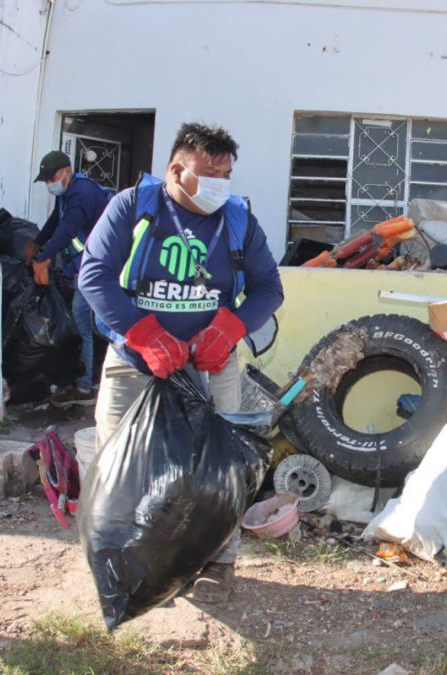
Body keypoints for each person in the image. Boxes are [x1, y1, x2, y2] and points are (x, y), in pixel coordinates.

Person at [78, 122, 284, 604]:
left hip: (214, 366)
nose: (221, 185)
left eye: (227, 175)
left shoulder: (237, 220)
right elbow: (94, 274)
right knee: (120, 468)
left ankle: (216, 564)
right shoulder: (132, 207)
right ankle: (125, 571)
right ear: (176, 169)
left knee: (218, 471)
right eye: (210, 173)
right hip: (134, 363)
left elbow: (268, 288)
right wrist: (143, 333)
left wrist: (230, 328)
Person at [23, 150, 111, 407]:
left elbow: (67, 229)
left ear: (67, 172)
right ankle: (92, 379)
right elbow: (55, 221)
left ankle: (85, 386)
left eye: (52, 177)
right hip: (85, 267)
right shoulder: (68, 194)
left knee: (83, 323)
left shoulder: (82, 193)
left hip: (98, 268)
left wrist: (45, 257)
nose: (50, 183)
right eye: (47, 179)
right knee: (91, 325)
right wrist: (37, 243)